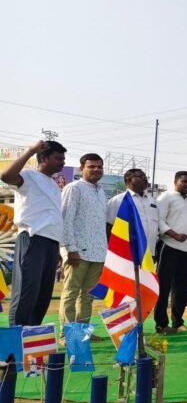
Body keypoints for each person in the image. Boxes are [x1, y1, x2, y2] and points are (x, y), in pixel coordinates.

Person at [1, 140, 66, 326]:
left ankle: (33, 334)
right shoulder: (28, 176)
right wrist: (30, 151)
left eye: (63, 159)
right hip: (32, 238)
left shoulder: (54, 185)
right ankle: (17, 335)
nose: (62, 162)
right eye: (58, 158)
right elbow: (6, 176)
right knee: (27, 290)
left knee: (43, 294)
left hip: (51, 242)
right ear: (43, 158)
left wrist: (58, 248)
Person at [59, 153, 108, 337]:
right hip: (77, 252)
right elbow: (65, 220)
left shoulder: (101, 191)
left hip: (98, 253)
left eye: (99, 167)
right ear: (82, 168)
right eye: (91, 166)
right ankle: (68, 335)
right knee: (71, 293)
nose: (96, 170)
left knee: (87, 296)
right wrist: (71, 249)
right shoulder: (74, 188)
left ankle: (82, 333)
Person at [155, 171, 187, 333]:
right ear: (175, 182)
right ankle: (161, 324)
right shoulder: (165, 197)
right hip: (169, 247)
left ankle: (178, 322)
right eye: (184, 181)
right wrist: (174, 234)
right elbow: (158, 220)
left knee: (182, 289)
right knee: (163, 287)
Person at [107, 169, 159, 257]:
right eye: (140, 176)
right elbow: (109, 226)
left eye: (145, 176)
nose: (144, 179)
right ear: (128, 180)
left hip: (149, 253)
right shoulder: (118, 200)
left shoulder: (152, 201)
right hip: (126, 253)